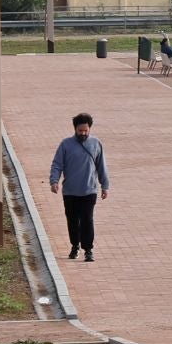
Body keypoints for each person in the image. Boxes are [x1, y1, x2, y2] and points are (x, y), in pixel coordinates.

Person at [48, 112, 109, 262]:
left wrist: (105, 186)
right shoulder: (66, 145)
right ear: (75, 129)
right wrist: (54, 181)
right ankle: (75, 246)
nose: (83, 133)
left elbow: (102, 166)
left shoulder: (96, 144)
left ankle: (88, 249)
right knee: (72, 220)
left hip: (89, 190)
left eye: (85, 131)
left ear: (89, 129)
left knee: (87, 219)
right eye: (80, 131)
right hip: (70, 191)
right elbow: (57, 164)